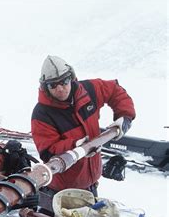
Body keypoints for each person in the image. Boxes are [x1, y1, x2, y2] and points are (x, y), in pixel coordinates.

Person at [31, 55, 136, 201]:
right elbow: (48, 151)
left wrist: (125, 116)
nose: (60, 88)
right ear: (45, 87)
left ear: (72, 77)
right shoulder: (42, 114)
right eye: (53, 85)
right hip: (60, 192)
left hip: (90, 186)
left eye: (64, 81)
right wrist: (75, 145)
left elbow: (114, 90)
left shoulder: (89, 90)